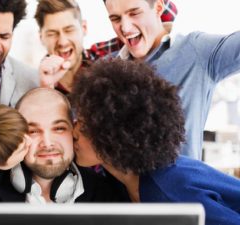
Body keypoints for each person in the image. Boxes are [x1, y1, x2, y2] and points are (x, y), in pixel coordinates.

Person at [71, 59, 240, 225]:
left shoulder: (169, 190)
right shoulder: (124, 182)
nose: (74, 132)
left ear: (115, 136)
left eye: (84, 127)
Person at [101, 0, 240, 159]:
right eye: (115, 19)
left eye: (134, 13)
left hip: (180, 182)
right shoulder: (106, 70)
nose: (125, 27)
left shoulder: (196, 52)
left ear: (158, 8)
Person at [0, 88, 119, 203]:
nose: (48, 143)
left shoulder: (106, 195)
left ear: (74, 130)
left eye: (59, 128)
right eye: (33, 131)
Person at [35, 0, 177, 95]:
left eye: (69, 30)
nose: (62, 42)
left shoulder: (105, 56)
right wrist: (46, 88)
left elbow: (166, 14)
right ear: (41, 37)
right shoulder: (38, 84)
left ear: (84, 28)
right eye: (52, 33)